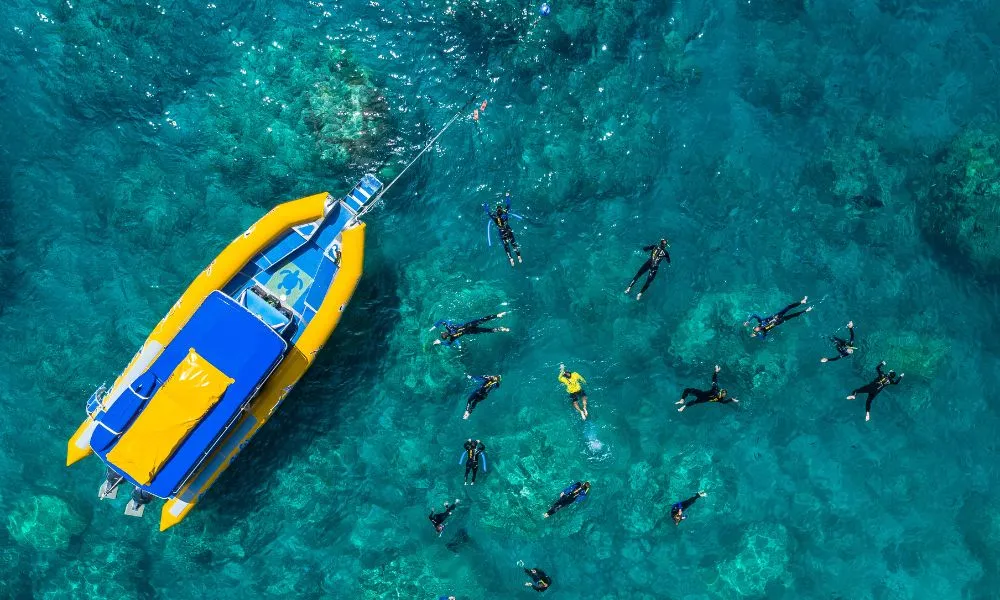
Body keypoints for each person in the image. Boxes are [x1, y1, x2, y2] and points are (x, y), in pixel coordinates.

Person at [744, 296, 813, 338]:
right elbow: (763, 338)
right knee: (793, 315)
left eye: (755, 328)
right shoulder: (765, 331)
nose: (757, 329)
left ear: (755, 326)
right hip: (780, 321)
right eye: (757, 330)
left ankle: (802, 302)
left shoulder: (760, 321)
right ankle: (806, 310)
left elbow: (754, 315)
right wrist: (757, 335)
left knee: (788, 307)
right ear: (758, 331)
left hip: (777, 315)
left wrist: (748, 321)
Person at [485, 193, 523, 266]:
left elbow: (488, 212)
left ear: (496, 212)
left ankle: (511, 259)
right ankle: (519, 256)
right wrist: (507, 196)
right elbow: (508, 205)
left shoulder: (495, 217)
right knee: (513, 243)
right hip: (508, 229)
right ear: (502, 210)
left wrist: (486, 205)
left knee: (506, 245)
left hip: (501, 232)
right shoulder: (505, 212)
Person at [432, 312, 509, 347]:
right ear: (444, 332)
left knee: (487, 330)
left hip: (470, 331)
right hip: (469, 325)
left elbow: (448, 344)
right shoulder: (449, 327)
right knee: (483, 319)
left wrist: (440, 342)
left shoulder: (452, 338)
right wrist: (435, 326)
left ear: (447, 337)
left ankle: (501, 329)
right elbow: (443, 320)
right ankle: (498, 315)